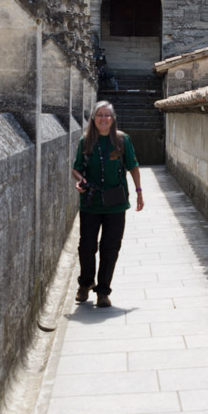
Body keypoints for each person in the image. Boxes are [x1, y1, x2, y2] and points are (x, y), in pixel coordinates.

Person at [71, 100, 142, 308]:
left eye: (107, 115)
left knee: (110, 247)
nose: (104, 118)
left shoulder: (122, 140)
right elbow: (76, 168)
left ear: (113, 119)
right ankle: (85, 283)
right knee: (87, 246)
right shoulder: (85, 141)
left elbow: (133, 166)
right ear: (94, 118)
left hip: (115, 202)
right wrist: (80, 180)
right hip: (91, 201)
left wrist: (139, 192)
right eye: (100, 115)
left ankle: (103, 291)